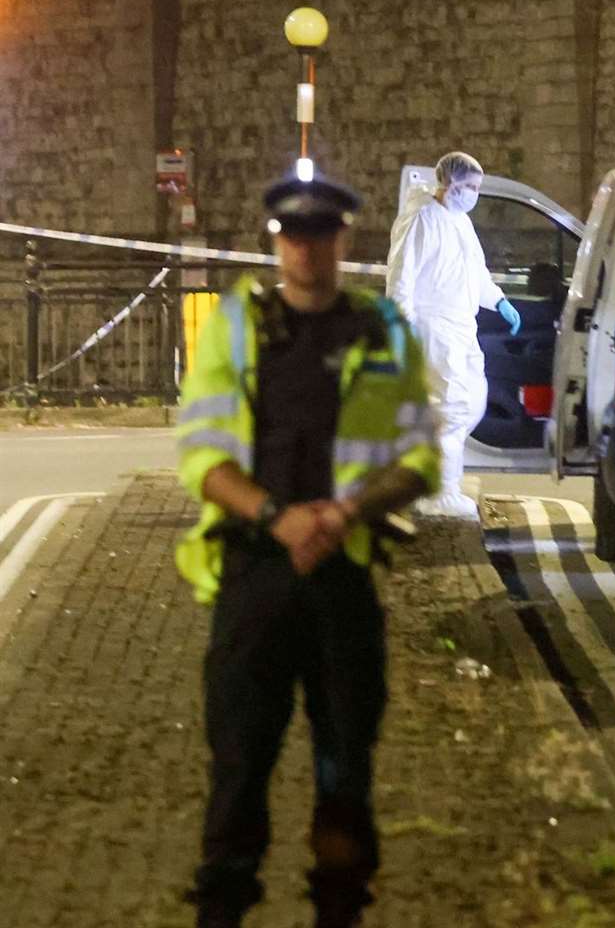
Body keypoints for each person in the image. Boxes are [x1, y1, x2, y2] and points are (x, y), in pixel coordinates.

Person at [174, 175, 441, 928]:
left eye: (321, 237)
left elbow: (419, 457)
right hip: (253, 577)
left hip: (344, 580)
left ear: (342, 241)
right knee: (237, 769)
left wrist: (346, 511)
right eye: (294, 237)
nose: (308, 251)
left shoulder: (382, 328)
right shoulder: (237, 327)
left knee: (345, 772)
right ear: (276, 242)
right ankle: (221, 908)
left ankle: (339, 911)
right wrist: (282, 519)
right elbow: (201, 456)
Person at [384, 151, 519, 516]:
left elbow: (474, 273)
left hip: (460, 325)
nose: (475, 193)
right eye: (470, 186)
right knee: (451, 405)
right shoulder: (422, 218)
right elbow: (401, 277)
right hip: (432, 326)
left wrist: (499, 300)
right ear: (450, 183)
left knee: (471, 399)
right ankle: (440, 493)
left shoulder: (459, 221)